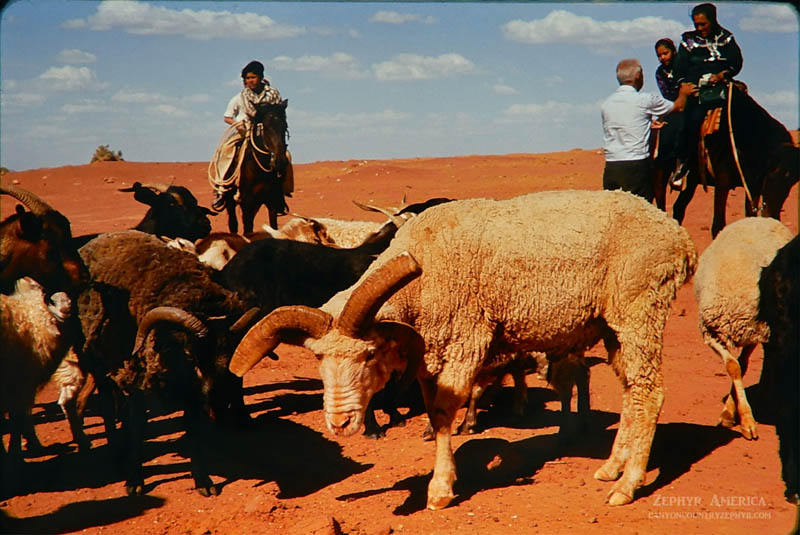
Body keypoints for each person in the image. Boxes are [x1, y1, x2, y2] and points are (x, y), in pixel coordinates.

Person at [668, 2, 743, 187]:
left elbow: (736, 63)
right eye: (697, 25)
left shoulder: (726, 38)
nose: (700, 28)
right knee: (690, 121)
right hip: (698, 91)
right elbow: (678, 69)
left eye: (703, 24)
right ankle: (684, 164)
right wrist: (685, 85)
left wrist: (723, 74)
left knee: (746, 115)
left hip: (722, 86)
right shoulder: (688, 41)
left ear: (713, 20)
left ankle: (747, 162)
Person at [600, 58, 695, 203]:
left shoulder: (607, 104)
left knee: (614, 209)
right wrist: (683, 93)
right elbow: (678, 107)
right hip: (636, 166)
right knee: (641, 210)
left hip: (612, 166)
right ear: (638, 76)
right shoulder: (646, 100)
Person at [209, 60, 294, 212]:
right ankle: (221, 189)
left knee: (285, 155)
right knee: (226, 151)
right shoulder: (239, 98)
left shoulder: (273, 94)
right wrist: (238, 125)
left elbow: (279, 112)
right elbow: (227, 117)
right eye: (247, 78)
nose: (250, 81)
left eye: (253, 77)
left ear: (261, 77)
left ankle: (282, 191)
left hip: (268, 132)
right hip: (245, 130)